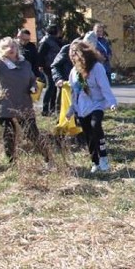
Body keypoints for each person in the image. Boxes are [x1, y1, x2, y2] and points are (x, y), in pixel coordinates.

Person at [66, 41, 118, 173]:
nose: (73, 58)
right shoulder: (73, 72)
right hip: (82, 107)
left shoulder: (96, 68)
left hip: (97, 104)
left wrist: (112, 102)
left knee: (96, 125)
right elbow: (74, 92)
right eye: (71, 55)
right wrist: (71, 109)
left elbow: (104, 87)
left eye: (75, 54)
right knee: (88, 134)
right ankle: (95, 162)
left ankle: (104, 157)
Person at [38, 24, 63, 116]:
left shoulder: (54, 40)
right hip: (48, 67)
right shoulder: (46, 41)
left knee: (54, 88)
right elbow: (40, 54)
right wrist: (41, 65)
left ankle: (52, 109)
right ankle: (45, 109)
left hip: (54, 66)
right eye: (59, 30)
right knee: (51, 87)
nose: (60, 32)